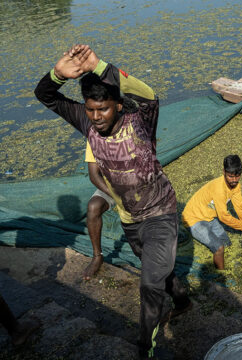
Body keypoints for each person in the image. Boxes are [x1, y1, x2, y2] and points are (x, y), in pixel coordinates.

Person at [35, 44, 191, 359]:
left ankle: (144, 347)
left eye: (103, 109)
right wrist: (57, 74)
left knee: (149, 284)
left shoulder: (139, 119)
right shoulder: (86, 120)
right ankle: (184, 301)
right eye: (91, 109)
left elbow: (149, 95)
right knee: (158, 269)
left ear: (117, 105)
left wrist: (99, 65)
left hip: (161, 212)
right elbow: (46, 95)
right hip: (130, 219)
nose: (96, 117)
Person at [182, 155, 242, 270]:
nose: (234, 180)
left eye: (237, 176)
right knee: (219, 248)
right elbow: (224, 217)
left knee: (227, 244)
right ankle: (221, 274)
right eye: (230, 176)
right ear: (224, 172)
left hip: (209, 217)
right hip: (193, 219)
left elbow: (239, 207)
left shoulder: (236, 186)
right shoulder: (219, 189)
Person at [82, 140, 116, 281]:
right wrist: (116, 195)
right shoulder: (94, 138)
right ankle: (97, 256)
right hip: (111, 186)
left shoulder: (131, 130)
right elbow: (94, 175)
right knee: (93, 207)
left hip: (135, 184)